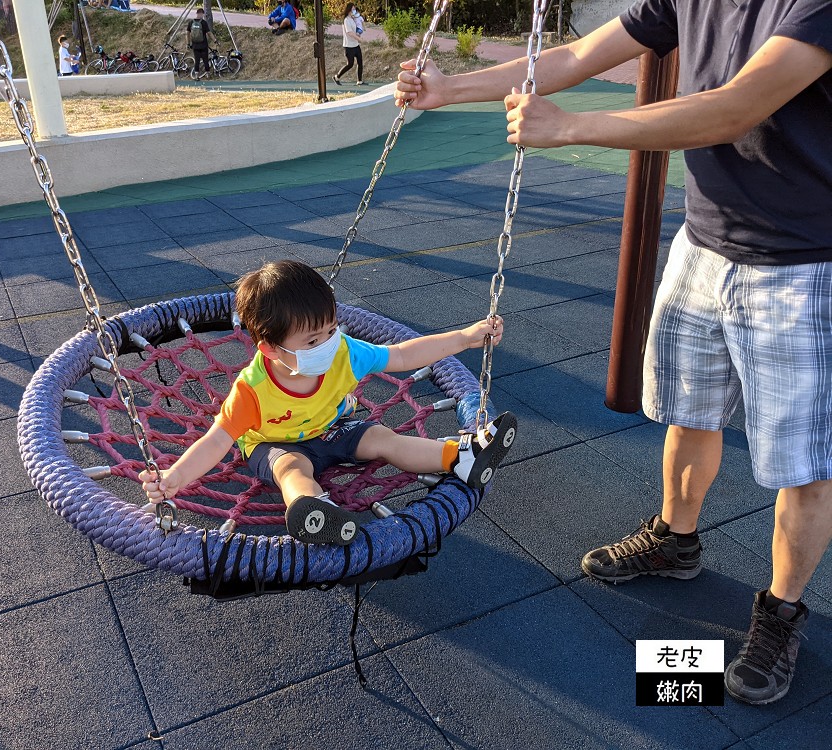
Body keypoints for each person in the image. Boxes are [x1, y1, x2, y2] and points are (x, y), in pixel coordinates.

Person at [396, 0, 832, 707]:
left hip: (804, 265)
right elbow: (571, 58)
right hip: (705, 242)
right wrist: (450, 89)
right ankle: (675, 539)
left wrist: (570, 128)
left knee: (805, 465)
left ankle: (781, 611)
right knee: (688, 416)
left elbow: (736, 106)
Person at [140, 260, 515, 546]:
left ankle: (460, 457)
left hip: (334, 428)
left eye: (332, 329)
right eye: (313, 341)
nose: (329, 343)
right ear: (270, 348)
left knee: (384, 438)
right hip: (274, 444)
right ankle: (316, 511)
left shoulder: (343, 353)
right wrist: (174, 479)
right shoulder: (252, 389)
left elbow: (401, 355)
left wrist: (465, 338)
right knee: (291, 469)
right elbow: (217, 441)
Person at [333, 3, 364, 86]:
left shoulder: (353, 19)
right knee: (350, 64)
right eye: (353, 9)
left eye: (355, 9)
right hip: (348, 46)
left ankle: (359, 81)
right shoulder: (346, 20)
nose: (354, 11)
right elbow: (349, 32)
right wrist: (359, 39)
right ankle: (337, 77)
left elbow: (355, 30)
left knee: (360, 62)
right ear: (349, 10)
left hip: (356, 45)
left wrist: (359, 33)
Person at [186, 7, 216, 80]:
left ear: (196, 13)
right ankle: (208, 74)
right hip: (203, 45)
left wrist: (188, 43)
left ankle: (196, 75)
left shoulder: (191, 22)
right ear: (202, 14)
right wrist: (215, 40)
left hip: (195, 45)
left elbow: (187, 33)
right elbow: (209, 33)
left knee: (197, 61)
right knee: (205, 60)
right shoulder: (203, 23)